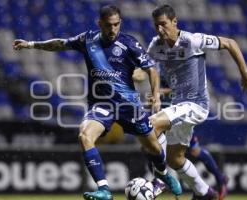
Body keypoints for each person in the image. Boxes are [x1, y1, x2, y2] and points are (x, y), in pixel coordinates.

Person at [13, 5, 182, 200]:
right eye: (109, 25)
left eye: (117, 25)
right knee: (85, 136)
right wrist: (32, 44)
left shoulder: (129, 43)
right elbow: (60, 43)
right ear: (100, 24)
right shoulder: (88, 39)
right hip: (101, 105)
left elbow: (151, 69)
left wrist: (156, 96)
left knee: (152, 147)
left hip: (128, 105)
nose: (113, 30)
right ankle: (104, 190)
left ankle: (163, 174)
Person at [147, 4, 247, 200]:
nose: (160, 29)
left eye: (163, 24)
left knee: (149, 126)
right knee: (175, 159)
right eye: (156, 26)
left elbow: (230, 43)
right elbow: (144, 69)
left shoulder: (192, 40)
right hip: (179, 106)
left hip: (196, 105)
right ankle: (206, 193)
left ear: (174, 22)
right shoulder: (156, 45)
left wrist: (244, 72)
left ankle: (158, 180)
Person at [133, 68, 228, 199]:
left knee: (193, 151)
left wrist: (159, 92)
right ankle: (161, 180)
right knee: (149, 147)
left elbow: (183, 90)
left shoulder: (174, 66)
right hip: (161, 113)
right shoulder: (154, 61)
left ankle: (220, 178)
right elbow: (142, 73)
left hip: (178, 114)